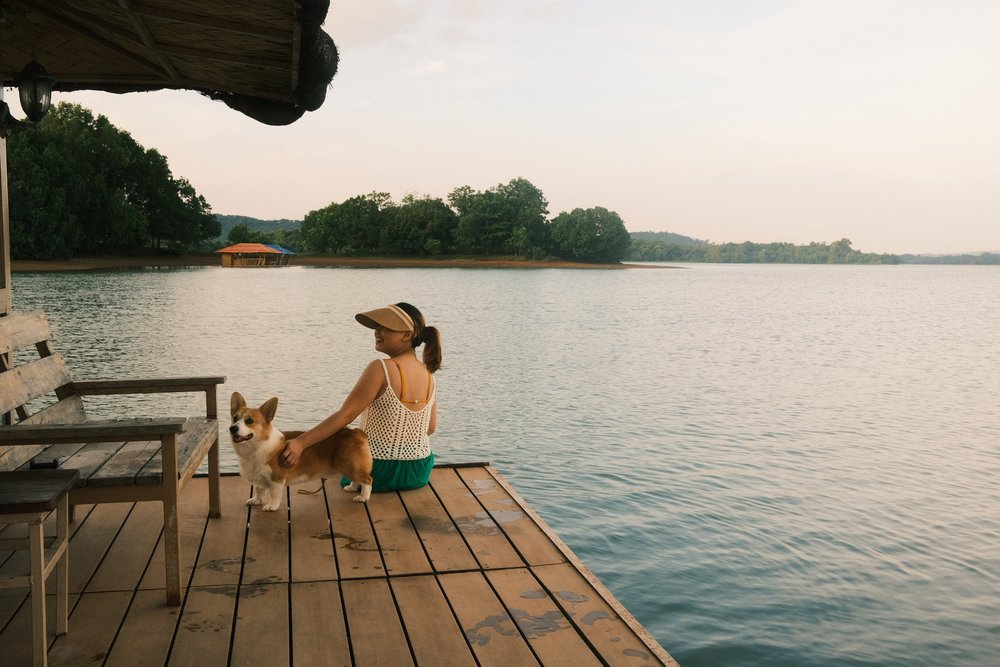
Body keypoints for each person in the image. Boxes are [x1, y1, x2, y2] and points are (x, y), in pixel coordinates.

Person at [280, 302, 441, 492]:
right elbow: (429, 428)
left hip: (377, 471)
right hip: (418, 470)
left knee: (343, 451)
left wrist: (301, 442)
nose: (377, 332)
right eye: (377, 327)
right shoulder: (428, 373)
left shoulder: (381, 368)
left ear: (407, 335)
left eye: (385, 327)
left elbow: (345, 416)